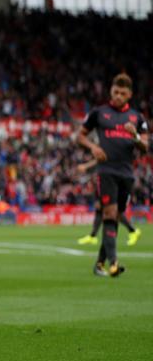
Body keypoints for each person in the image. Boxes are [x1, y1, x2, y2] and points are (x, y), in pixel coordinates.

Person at [77, 73, 148, 277]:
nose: (118, 96)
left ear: (129, 95)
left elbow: (145, 147)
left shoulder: (137, 118)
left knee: (115, 217)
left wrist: (135, 136)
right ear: (110, 91)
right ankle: (114, 263)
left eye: (122, 93)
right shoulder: (99, 113)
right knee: (109, 213)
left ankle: (99, 264)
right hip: (106, 171)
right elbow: (80, 136)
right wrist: (93, 147)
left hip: (127, 174)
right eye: (115, 92)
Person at [75, 159, 141, 247]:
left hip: (117, 182)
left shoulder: (114, 159)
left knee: (115, 212)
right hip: (108, 181)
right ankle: (93, 236)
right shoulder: (105, 165)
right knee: (100, 209)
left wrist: (86, 166)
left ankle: (132, 231)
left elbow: (101, 157)